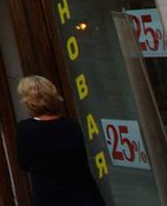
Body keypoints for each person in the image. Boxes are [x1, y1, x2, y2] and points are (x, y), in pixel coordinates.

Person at [15, 76, 104, 206]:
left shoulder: (25, 129)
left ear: (28, 101)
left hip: (50, 197)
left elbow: (23, 163)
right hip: (85, 196)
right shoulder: (72, 126)